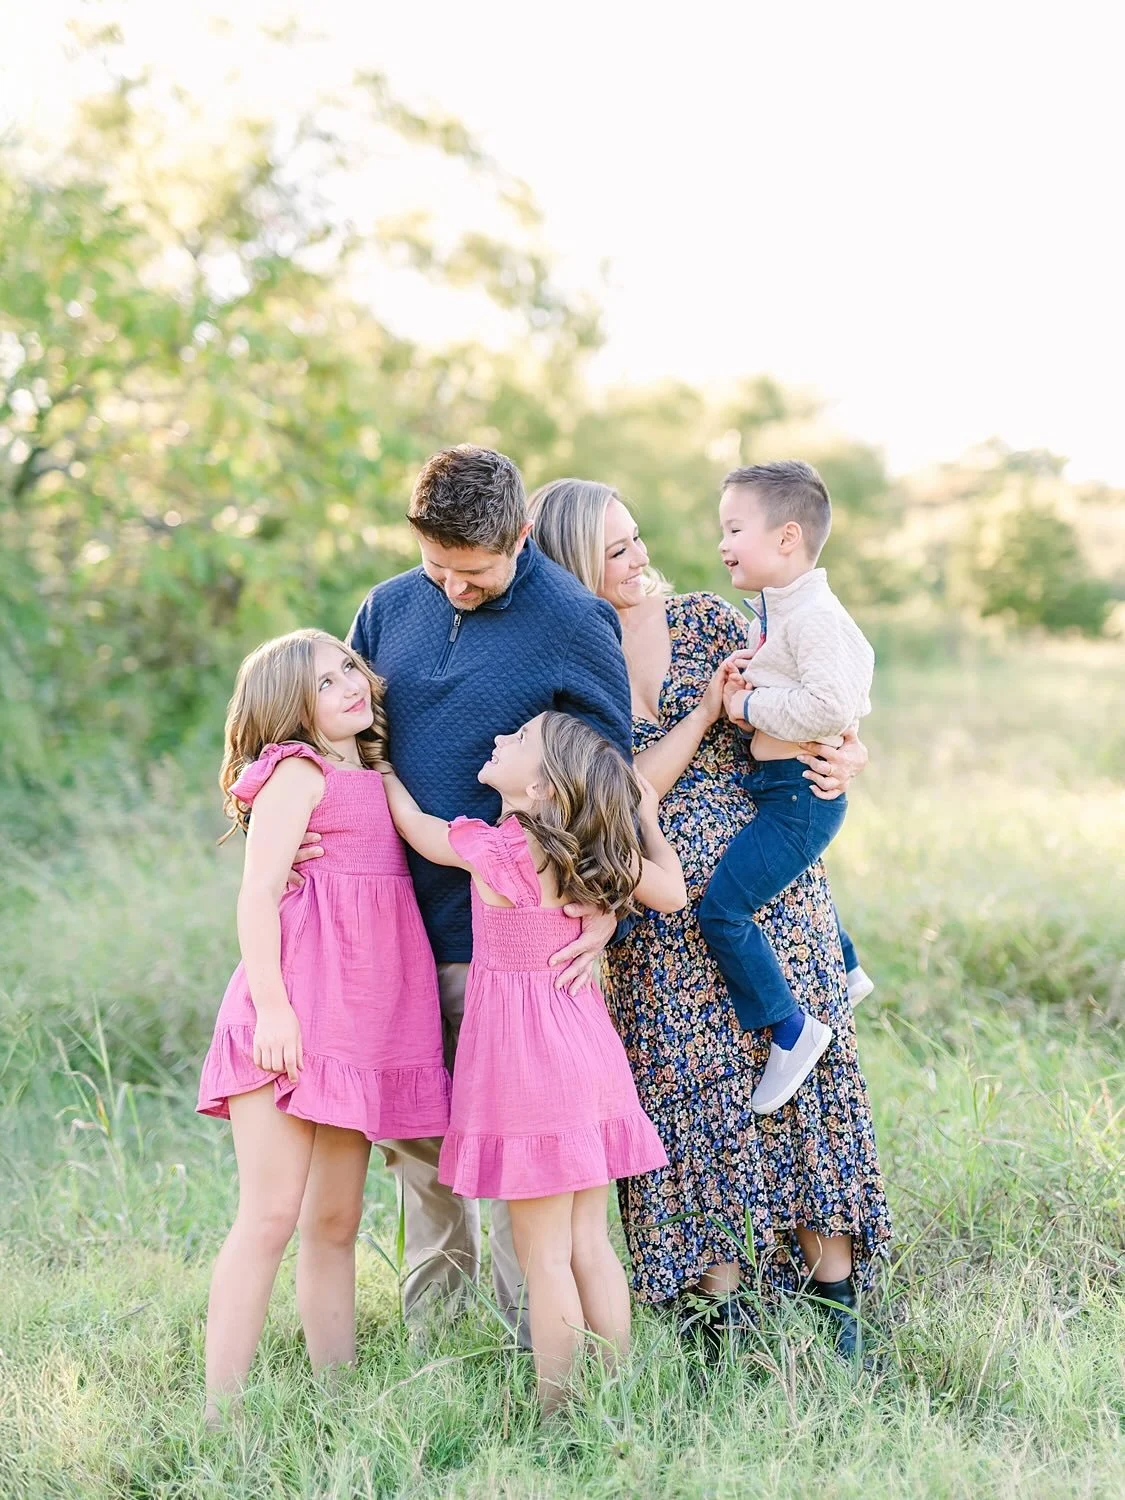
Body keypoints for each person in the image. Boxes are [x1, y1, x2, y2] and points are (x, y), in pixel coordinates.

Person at [529, 479, 892, 1358]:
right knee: (694, 1112)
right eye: (615, 549)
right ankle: (721, 1335)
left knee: (805, 1097)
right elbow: (616, 794)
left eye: (637, 535)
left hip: (767, 892)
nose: (638, 557)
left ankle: (837, 1320)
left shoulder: (707, 618)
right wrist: (698, 713)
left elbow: (811, 693)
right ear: (573, 565)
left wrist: (847, 753)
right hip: (656, 914)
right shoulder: (566, 671)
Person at [292, 446, 633, 1341]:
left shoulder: (572, 619)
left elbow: (607, 781)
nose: (450, 587)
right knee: (419, 1143)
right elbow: (347, 743)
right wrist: (297, 845)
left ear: (521, 537)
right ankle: (435, 1340)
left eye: (473, 572)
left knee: (525, 1150)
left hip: (515, 941)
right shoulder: (386, 606)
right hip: (393, 923)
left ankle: (535, 1342)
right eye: (435, 565)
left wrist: (603, 907)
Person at [380, 712, 681, 1411]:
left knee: (544, 1258)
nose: (497, 737)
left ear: (540, 786)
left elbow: (416, 826)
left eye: (515, 741)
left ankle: (559, 1413)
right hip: (587, 1058)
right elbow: (673, 891)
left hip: (525, 1072)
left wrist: (383, 770)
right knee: (588, 1244)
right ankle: (617, 1398)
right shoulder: (591, 852)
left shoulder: (494, 851)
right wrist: (647, 815)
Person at [197, 630, 449, 1421]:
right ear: (288, 707)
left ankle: (335, 1398)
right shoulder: (296, 773)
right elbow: (257, 894)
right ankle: (219, 1410)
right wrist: (273, 1008)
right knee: (271, 1214)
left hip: (361, 1028)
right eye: (324, 680)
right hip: (294, 1014)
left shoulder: (372, 773)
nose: (347, 684)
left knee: (335, 1221)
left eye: (348, 668)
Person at [696, 461, 876, 1115]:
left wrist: (747, 710)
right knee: (782, 879)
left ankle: (790, 1029)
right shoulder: (782, 612)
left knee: (722, 910)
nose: (722, 542)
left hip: (799, 792)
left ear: (786, 537)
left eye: (734, 527)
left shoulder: (812, 617)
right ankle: (848, 969)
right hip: (783, 787)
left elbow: (830, 702)